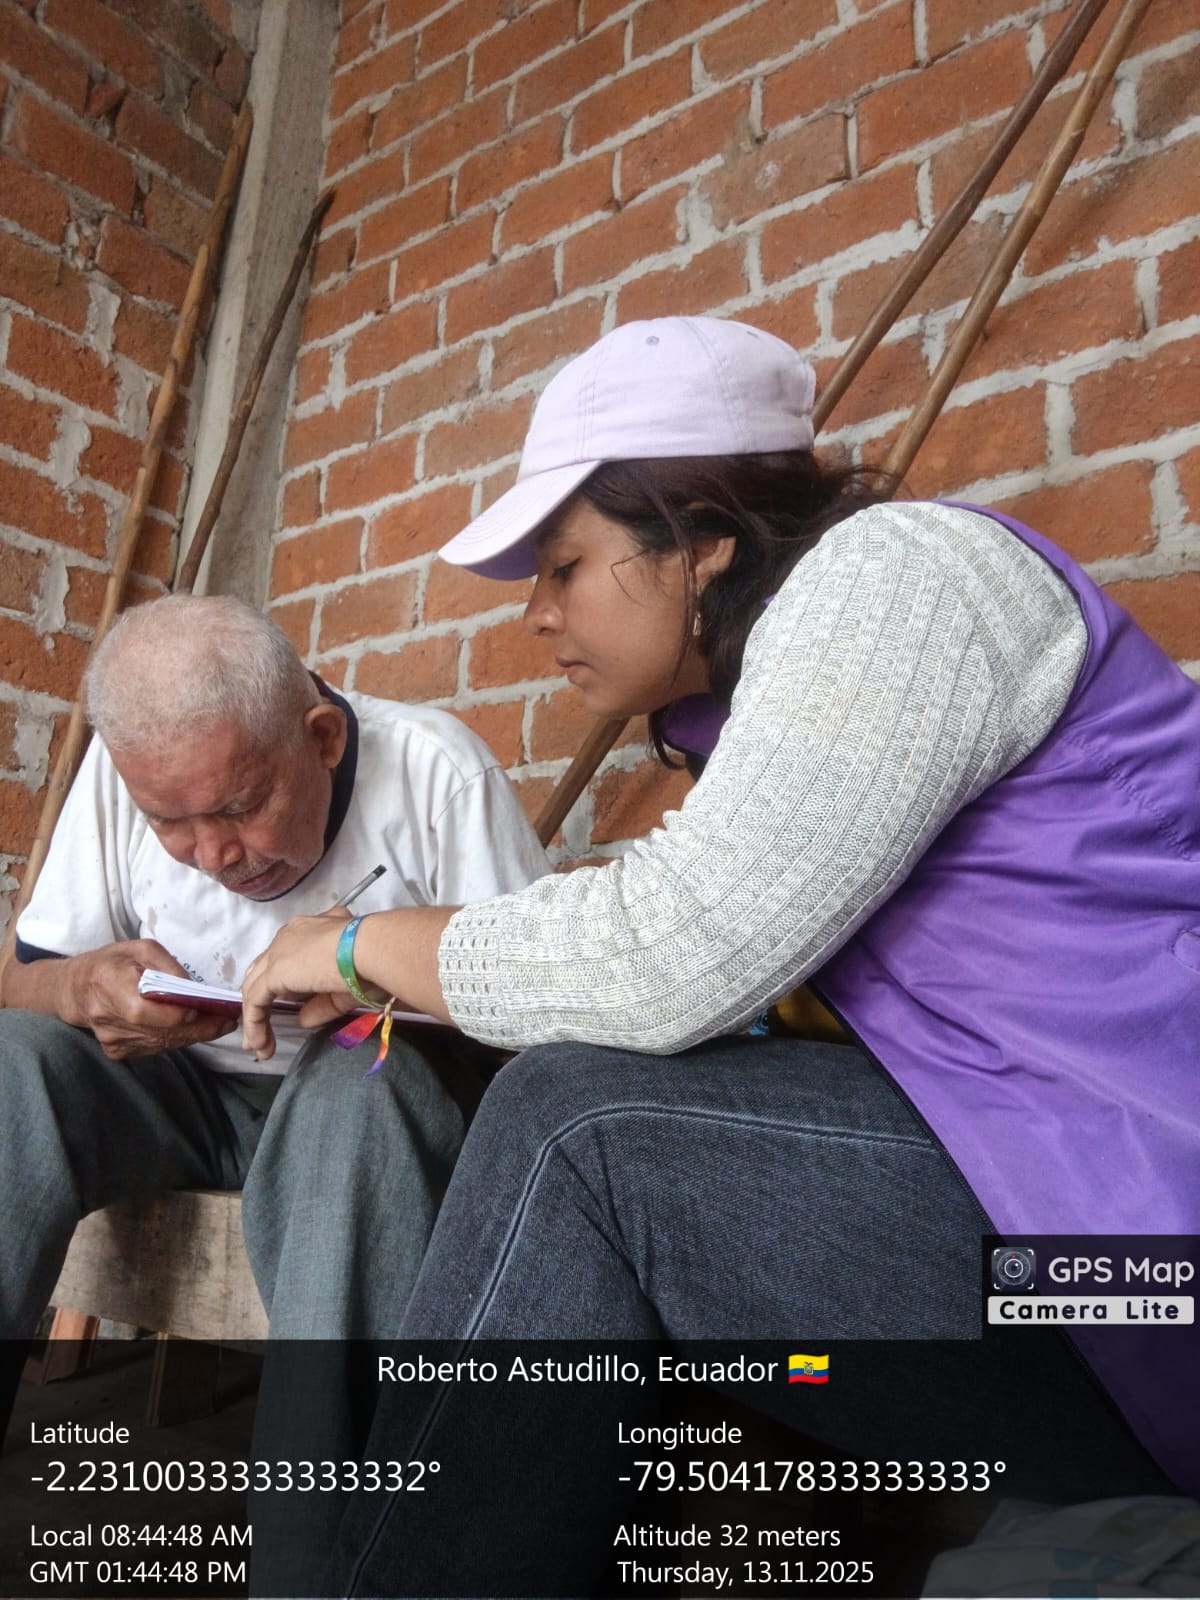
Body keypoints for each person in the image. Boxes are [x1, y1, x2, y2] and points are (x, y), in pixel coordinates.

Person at [240, 318, 1199, 1597]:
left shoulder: (902, 576)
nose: (536, 613)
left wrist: (359, 944)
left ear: (703, 538)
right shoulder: (745, 708)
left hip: (1131, 1253)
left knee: (583, 1129)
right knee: (585, 1121)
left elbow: (666, 955)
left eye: (565, 564)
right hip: (1047, 1225)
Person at [0, 595, 547, 1475]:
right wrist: (76, 984)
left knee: (359, 1079)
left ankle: (328, 1527)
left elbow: (539, 1040)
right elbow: (18, 983)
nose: (214, 855)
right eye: (169, 822)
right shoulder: (126, 767)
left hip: (356, 1109)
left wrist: (384, 975)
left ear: (322, 738)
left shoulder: (438, 773)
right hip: (179, 1091)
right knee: (13, 1063)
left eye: (241, 805)